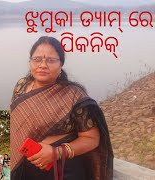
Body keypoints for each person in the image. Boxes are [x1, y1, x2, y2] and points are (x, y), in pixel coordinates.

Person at [10, 36, 113, 179]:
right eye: (37, 59)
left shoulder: (73, 95)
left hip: (61, 170)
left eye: (51, 60)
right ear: (30, 62)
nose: (43, 65)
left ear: (61, 64)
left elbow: (92, 138)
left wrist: (56, 152)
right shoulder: (21, 86)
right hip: (24, 168)